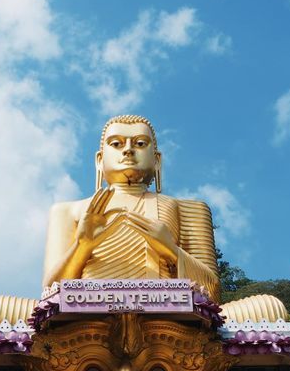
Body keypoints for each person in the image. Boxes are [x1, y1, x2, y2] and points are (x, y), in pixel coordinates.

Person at [42, 115, 221, 299]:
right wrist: (83, 246)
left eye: (140, 143)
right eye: (116, 144)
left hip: (167, 316)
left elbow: (213, 293)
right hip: (86, 315)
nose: (128, 150)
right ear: (99, 160)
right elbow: (50, 293)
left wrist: (171, 250)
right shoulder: (69, 211)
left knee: (243, 308)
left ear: (157, 160)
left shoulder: (187, 209)